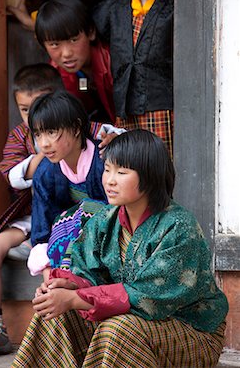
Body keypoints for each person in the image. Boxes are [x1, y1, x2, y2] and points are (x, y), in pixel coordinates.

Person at [12, 129, 228, 368]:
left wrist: (75, 298)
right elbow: (86, 273)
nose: (110, 180)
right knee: (54, 315)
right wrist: (66, 286)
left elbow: (148, 299)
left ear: (150, 177)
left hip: (191, 331)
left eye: (122, 172)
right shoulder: (105, 220)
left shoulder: (178, 226)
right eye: (107, 170)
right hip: (131, 323)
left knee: (118, 327)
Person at [0, 63, 64, 359]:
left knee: (55, 251)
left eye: (38, 106)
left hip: (66, 215)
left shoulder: (70, 128)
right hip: (29, 213)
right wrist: (38, 157)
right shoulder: (20, 136)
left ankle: (59, 330)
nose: (31, 115)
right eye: (24, 109)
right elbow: (11, 174)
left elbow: (104, 136)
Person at [93, 0, 174, 157]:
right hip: (125, 112)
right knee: (133, 171)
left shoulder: (174, 7)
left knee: (162, 172)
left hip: (163, 112)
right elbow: (84, 26)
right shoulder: (115, 6)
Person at [26, 90, 110, 283]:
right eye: (38, 134)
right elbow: (42, 233)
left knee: (86, 211)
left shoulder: (104, 161)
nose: (44, 144)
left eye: (52, 132)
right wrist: (50, 277)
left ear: (76, 127)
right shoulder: (45, 172)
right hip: (68, 257)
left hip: (110, 245)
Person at [9, 0, 115, 123]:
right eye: (54, 44)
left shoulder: (113, 61)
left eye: (73, 40)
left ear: (91, 32)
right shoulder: (56, 72)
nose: (66, 54)